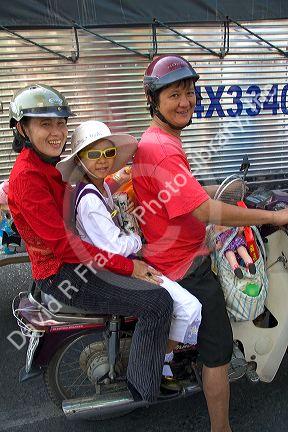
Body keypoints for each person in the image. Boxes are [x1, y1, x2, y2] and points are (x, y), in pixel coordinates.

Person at [132, 54, 288, 431]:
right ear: (154, 100)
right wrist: (273, 217)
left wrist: (228, 194)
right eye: (174, 95)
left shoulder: (158, 140)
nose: (185, 101)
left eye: (189, 93)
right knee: (217, 353)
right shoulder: (164, 148)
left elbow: (185, 194)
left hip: (167, 250)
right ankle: (222, 427)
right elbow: (202, 211)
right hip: (184, 265)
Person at [7, 83, 174, 403]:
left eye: (60, 123)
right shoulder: (28, 177)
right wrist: (128, 265)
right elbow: (65, 247)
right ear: (22, 128)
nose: (56, 132)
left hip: (74, 261)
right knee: (158, 302)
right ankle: (144, 388)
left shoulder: (43, 165)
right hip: (66, 274)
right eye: (45, 124)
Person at [56, 119, 202, 390]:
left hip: (113, 263)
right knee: (191, 307)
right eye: (94, 154)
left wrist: (118, 183)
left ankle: (164, 357)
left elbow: (106, 200)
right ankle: (158, 362)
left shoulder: (95, 187)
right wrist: (139, 239)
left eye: (108, 153)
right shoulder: (89, 200)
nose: (102, 160)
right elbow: (113, 246)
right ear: (80, 160)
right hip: (113, 267)